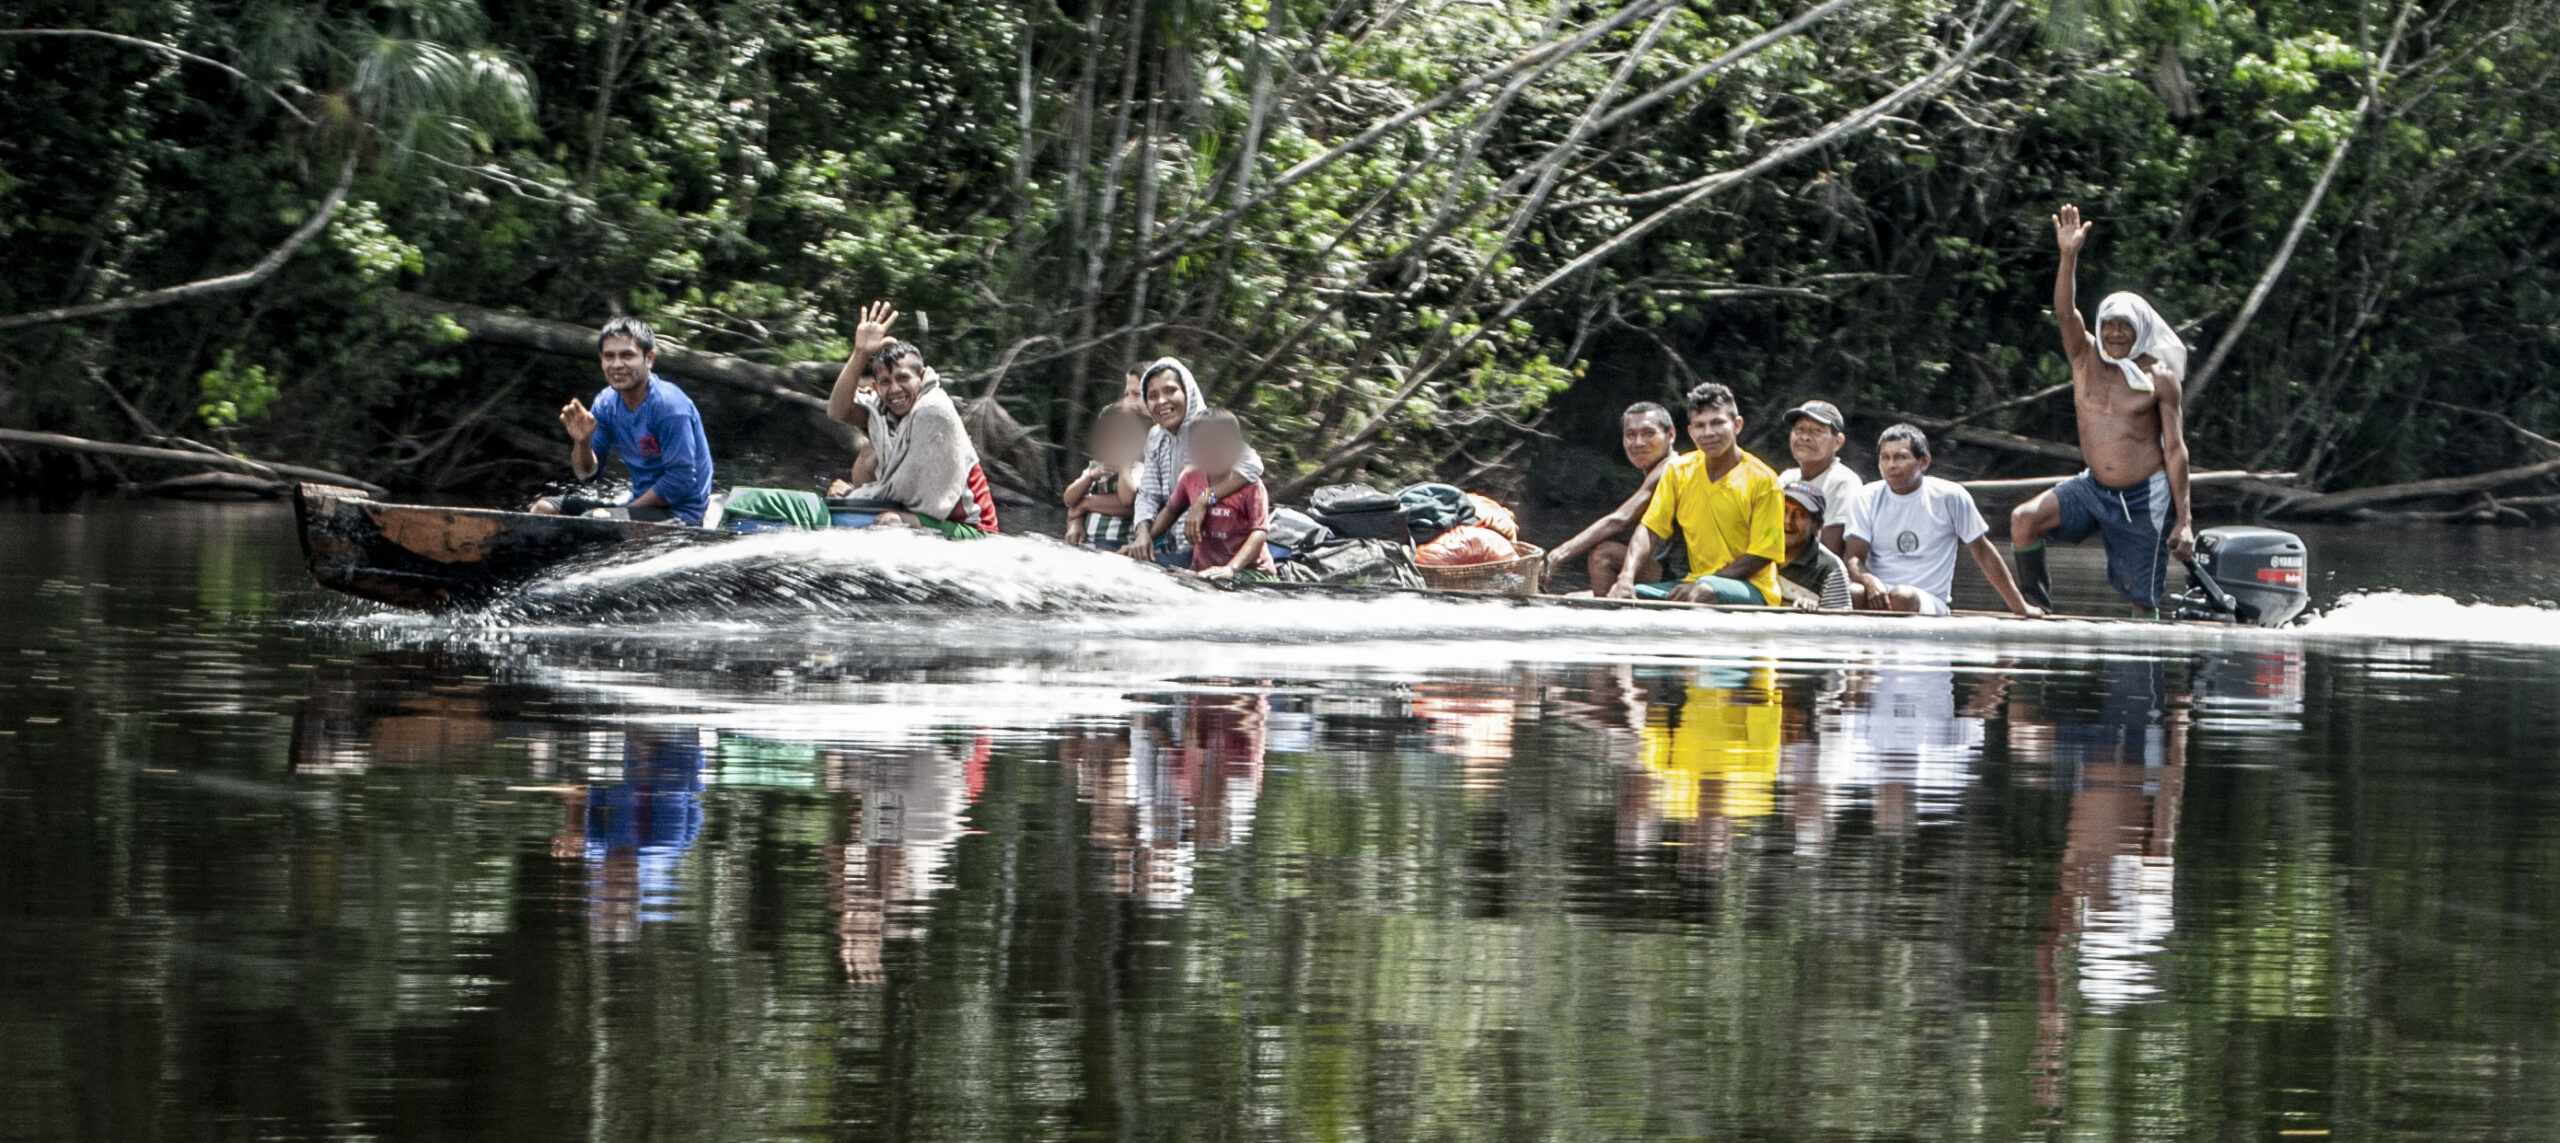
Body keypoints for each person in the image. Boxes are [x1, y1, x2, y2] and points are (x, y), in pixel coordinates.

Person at [2010, 203, 2195, 616]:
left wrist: (2184, 520)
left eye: (2124, 326)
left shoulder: (2161, 377)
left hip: (2144, 498)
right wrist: (2068, 255)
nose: (2114, 333)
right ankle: (2036, 610)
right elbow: (2064, 312)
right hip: (2093, 487)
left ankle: (2144, 654)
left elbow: (2176, 449)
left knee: (2141, 603)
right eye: (2108, 323)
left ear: (2140, 331)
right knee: (2024, 520)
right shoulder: (2084, 356)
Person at [824, 301, 999, 537]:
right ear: (876, 387)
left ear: (922, 376)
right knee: (868, 453)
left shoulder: (933, 410)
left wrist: (856, 495)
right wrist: (860, 354)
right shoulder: (885, 411)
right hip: (919, 515)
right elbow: (837, 411)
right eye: (886, 382)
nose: (895, 389)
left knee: (891, 521)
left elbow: (909, 492)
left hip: (971, 530)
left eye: (903, 378)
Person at [1607, 383, 1785, 605]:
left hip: (1753, 588)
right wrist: (1626, 577)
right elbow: (1649, 530)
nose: (1708, 433)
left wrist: (1705, 582)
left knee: (1701, 592)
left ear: (1737, 425)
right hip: (1695, 581)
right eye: (1700, 426)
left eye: (1718, 423)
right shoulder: (1678, 471)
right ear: (1691, 432)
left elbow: (1762, 554)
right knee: (1630, 596)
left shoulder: (1764, 480)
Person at [1845, 424, 2043, 617]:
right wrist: (1869, 581)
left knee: (1902, 596)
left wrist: (2019, 607)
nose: (1891, 465)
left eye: (1901, 457)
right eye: (1885, 458)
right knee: (1854, 592)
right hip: (1879, 591)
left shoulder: (1950, 496)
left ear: (1924, 462)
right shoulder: (1866, 497)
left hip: (1927, 598)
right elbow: (1853, 558)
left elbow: (1983, 552)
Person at [533, 316, 714, 525]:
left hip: (681, 514)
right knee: (543, 508)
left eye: (627, 355)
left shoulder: (670, 405)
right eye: (609, 356)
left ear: (649, 358)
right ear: (601, 359)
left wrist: (623, 513)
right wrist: (583, 442)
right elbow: (587, 474)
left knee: (595, 521)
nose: (617, 364)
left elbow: (680, 480)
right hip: (638, 508)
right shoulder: (606, 402)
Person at [1121, 358, 1265, 568]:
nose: (1161, 401)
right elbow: (1148, 495)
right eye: (1153, 396)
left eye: (1170, 391)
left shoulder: (1207, 427)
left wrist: (1204, 499)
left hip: (1210, 548)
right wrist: (1142, 536)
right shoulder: (1157, 437)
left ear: (1187, 392)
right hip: (1169, 543)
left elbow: (1253, 464)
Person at [1547, 401, 1683, 589]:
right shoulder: (1658, 470)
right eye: (1630, 435)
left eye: (1648, 433)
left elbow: (1620, 519)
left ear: (1671, 436)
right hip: (1664, 568)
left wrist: (1559, 554)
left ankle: (1609, 613)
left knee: (1604, 554)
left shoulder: (1671, 468)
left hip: (1682, 575)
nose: (1638, 443)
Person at [1146, 409, 1275, 582]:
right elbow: (1171, 510)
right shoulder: (1190, 477)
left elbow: (1259, 532)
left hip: (1251, 571)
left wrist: (1231, 568)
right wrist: (1145, 540)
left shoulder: (1250, 485)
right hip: (1202, 569)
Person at [1775, 399, 1862, 555]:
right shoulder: (1787, 478)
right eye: (1799, 429)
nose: (1805, 437)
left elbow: (1830, 551)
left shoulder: (1843, 482)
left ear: (1838, 442)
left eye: (1817, 431)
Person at [1064, 402, 1146, 552]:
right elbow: (1069, 499)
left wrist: (1124, 466)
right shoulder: (1095, 467)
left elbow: (1128, 500)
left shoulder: (1136, 469)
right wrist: (1091, 476)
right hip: (1088, 539)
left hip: (1114, 542)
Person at [1775, 481, 1854, 610]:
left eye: (1800, 514)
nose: (1787, 521)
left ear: (1817, 526)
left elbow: (1839, 624)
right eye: (1783, 510)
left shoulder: (1829, 567)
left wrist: (1814, 611)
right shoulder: (1757, 549)